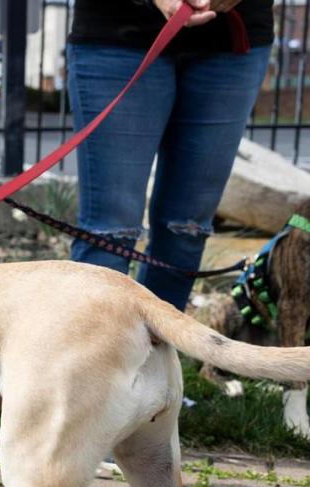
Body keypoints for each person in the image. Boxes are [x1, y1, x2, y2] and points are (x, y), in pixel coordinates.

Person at [68, 0, 272, 311]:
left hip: (232, 41)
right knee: (110, 231)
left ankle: (157, 349)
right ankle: (90, 355)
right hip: (117, 33)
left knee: (187, 229)